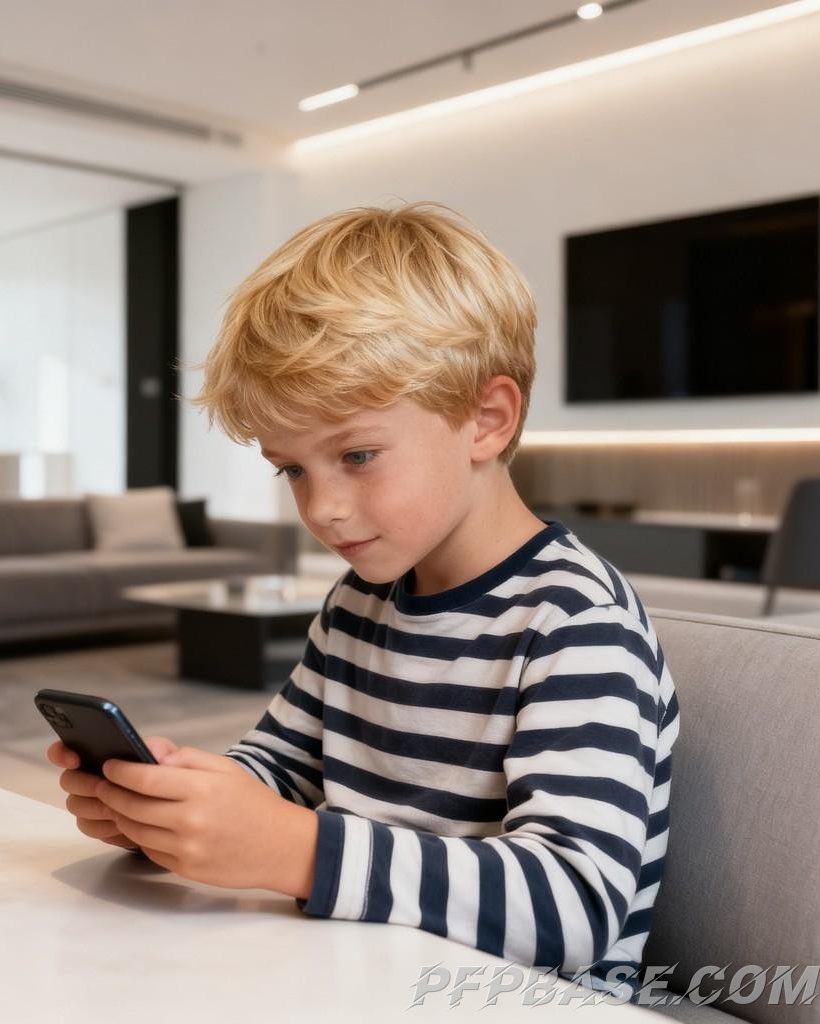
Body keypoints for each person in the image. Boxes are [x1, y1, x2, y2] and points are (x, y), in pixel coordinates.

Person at [48, 202, 679, 1002]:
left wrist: (297, 852)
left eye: (357, 455)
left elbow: (572, 908)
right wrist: (180, 802)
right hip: (358, 981)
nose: (323, 508)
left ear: (487, 419)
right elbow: (281, 766)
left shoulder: (574, 626)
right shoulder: (359, 604)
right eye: (294, 469)